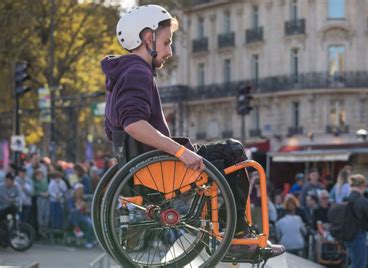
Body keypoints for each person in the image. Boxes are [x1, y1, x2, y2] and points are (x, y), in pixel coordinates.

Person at [102, 5, 283, 258]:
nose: (169, 51)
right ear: (148, 38)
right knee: (233, 152)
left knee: (219, 156)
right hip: (159, 169)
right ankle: (236, 238)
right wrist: (180, 152)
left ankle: (223, 229)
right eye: (166, 43)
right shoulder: (136, 73)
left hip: (143, 168)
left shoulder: (122, 73)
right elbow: (134, 124)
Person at [345, 174, 368, 268]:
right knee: (360, 264)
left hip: (347, 234)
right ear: (362, 185)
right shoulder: (362, 200)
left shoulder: (346, 198)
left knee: (353, 262)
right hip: (359, 235)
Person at [67, 183, 94, 249]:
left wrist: (85, 207)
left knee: (90, 224)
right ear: (75, 191)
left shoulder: (84, 199)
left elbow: (88, 211)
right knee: (75, 213)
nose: (80, 191)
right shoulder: (71, 199)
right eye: (79, 190)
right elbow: (71, 210)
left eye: (81, 190)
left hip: (82, 216)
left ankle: (89, 241)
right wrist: (78, 207)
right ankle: (76, 228)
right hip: (73, 217)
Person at [33, 169, 49, 237]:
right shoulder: (34, 183)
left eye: (40, 175)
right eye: (37, 175)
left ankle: (45, 229)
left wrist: (47, 192)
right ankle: (40, 230)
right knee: (40, 214)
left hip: (47, 199)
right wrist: (40, 193)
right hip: (40, 199)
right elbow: (33, 192)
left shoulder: (45, 181)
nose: (39, 177)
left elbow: (48, 188)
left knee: (47, 214)